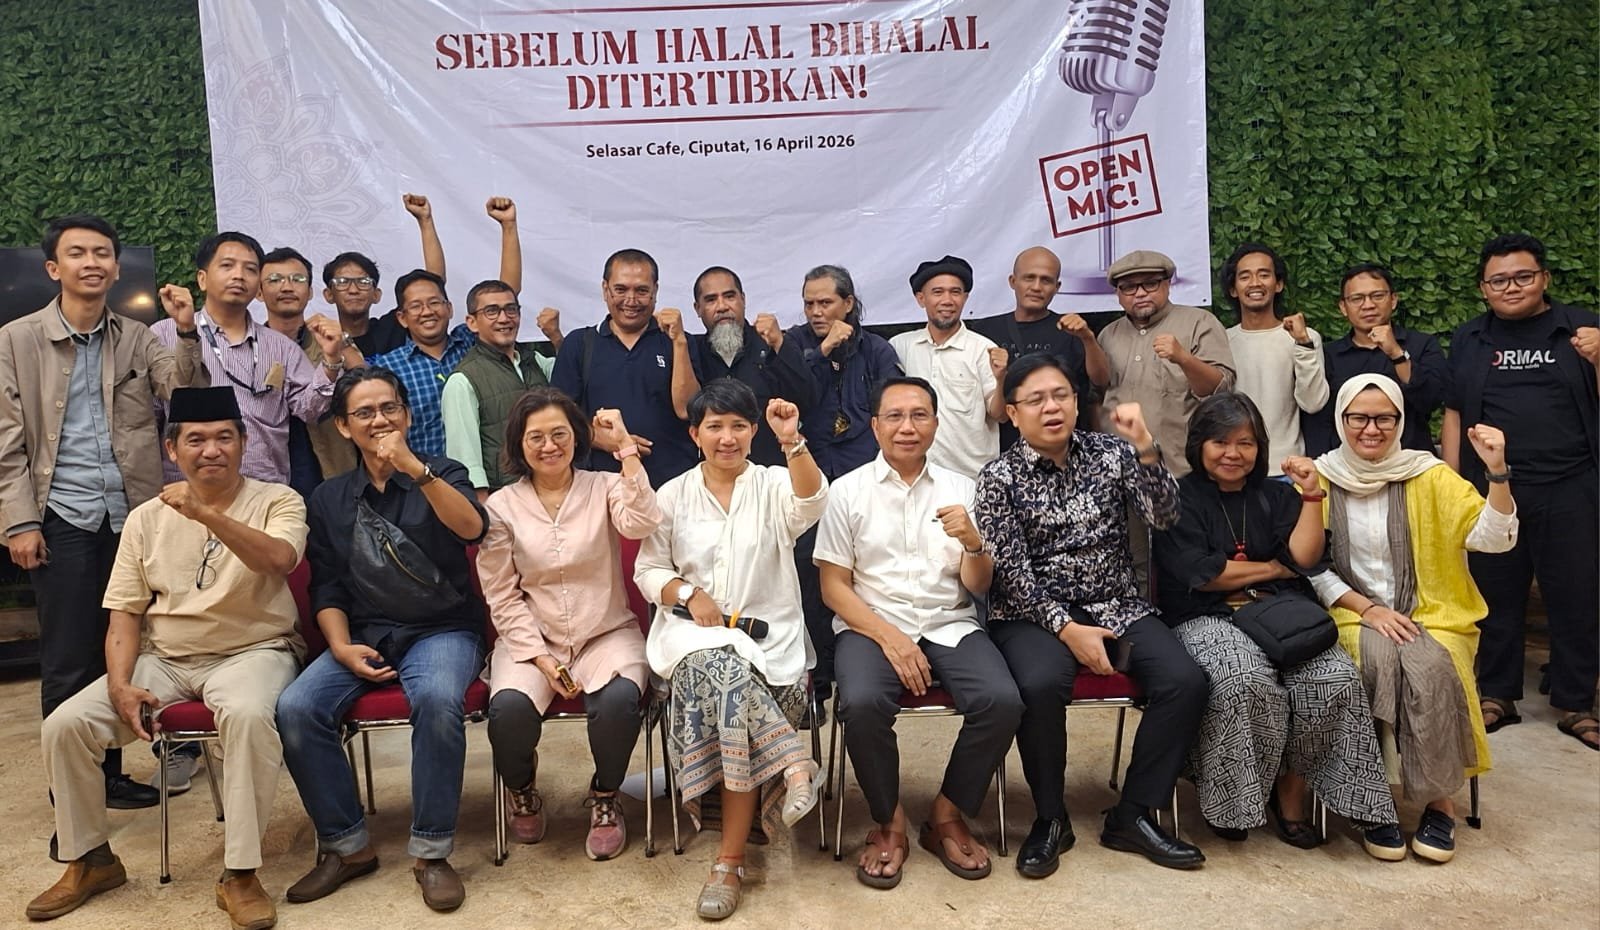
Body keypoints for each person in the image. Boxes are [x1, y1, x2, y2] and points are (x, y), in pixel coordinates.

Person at [25, 387, 307, 929]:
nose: (212, 450)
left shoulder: (279, 500)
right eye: (195, 440)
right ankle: (90, 860)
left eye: (224, 437)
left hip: (254, 650)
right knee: (65, 724)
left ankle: (240, 874)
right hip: (167, 657)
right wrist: (119, 684)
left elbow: (278, 560)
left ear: (244, 443)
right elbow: (125, 613)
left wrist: (205, 513)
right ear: (171, 449)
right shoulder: (145, 518)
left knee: (248, 716)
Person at [0, 214, 205, 813]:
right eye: (78, 253)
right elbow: (6, 440)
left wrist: (186, 331)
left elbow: (183, 394)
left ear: (116, 268)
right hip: (61, 516)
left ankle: (110, 775)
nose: (92, 262)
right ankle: (74, 792)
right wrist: (19, 522)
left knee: (125, 652)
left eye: (102, 253)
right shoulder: (16, 340)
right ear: (53, 268)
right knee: (68, 658)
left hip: (132, 517)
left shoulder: (138, 336)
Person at [974, 353, 1207, 874]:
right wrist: (1067, 628)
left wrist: (1145, 446)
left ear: (1077, 403)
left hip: (1116, 602)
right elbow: (1011, 574)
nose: (1051, 407)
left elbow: (1165, 516)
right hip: (1032, 613)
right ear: (1013, 413)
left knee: (1184, 680)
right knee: (1039, 683)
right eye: (1036, 399)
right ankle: (1050, 818)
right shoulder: (997, 478)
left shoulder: (1112, 454)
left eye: (1061, 395)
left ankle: (1133, 813)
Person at [1151, 392, 1400, 858]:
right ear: (1199, 444)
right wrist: (1272, 567)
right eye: (1220, 442)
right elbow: (1206, 575)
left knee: (1334, 677)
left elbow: (1304, 558)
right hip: (1206, 616)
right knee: (1243, 678)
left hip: (1280, 614)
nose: (1233, 453)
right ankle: (1234, 803)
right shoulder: (1177, 498)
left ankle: (1307, 799)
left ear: (1260, 447)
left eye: (1245, 443)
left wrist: (1311, 494)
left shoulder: (1278, 494)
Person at [277, 368, 489, 912]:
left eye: (389, 408)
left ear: (408, 415)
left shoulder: (443, 471)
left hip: (442, 628)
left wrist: (414, 469)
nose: (380, 420)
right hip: (365, 634)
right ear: (343, 426)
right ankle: (346, 846)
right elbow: (326, 583)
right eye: (365, 412)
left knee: (437, 699)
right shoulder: (328, 498)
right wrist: (339, 646)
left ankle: (432, 853)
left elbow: (473, 529)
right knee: (297, 707)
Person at [815, 376, 1023, 888]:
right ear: (875, 426)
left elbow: (978, 585)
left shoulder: (964, 489)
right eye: (895, 416)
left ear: (935, 423)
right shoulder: (847, 490)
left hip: (949, 621)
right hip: (870, 624)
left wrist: (974, 544)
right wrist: (891, 638)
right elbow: (834, 587)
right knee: (861, 703)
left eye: (919, 415)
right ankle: (889, 821)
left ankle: (946, 813)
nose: (907, 427)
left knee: (1002, 701)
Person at [634, 379, 826, 920]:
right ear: (694, 434)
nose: (727, 437)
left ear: (753, 431)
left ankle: (730, 863)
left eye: (738, 426)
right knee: (721, 670)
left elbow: (812, 501)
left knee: (730, 691)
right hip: (690, 635)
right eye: (714, 426)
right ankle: (790, 765)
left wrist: (792, 441)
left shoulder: (773, 483)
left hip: (771, 639)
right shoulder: (672, 494)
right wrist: (686, 593)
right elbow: (648, 570)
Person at [1310, 374, 1518, 862]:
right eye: (1359, 417)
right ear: (1341, 420)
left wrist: (1497, 473)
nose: (1371, 429)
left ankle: (1439, 802)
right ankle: (1373, 801)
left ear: (1401, 421)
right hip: (1349, 613)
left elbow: (1495, 539)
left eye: (1384, 418)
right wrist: (1368, 609)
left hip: (1434, 612)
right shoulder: (1320, 477)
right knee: (1373, 662)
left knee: (1431, 665)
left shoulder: (1430, 474)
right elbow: (1309, 566)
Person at [476, 389, 661, 859]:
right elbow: (501, 593)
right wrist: (539, 657)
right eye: (535, 437)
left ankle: (605, 794)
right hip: (532, 639)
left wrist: (624, 447)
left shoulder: (604, 486)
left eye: (559, 434)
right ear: (518, 444)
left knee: (618, 701)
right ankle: (522, 787)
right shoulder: (500, 506)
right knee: (509, 712)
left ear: (577, 437)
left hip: (606, 632)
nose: (549, 446)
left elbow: (642, 523)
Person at [1442, 233, 1599, 750]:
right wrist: (1454, 481)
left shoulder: (1581, 329)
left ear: (1544, 279)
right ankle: (1497, 693)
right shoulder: (1470, 338)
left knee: (1577, 594)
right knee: (1494, 594)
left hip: (1570, 485)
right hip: (1496, 489)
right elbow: (1454, 410)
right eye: (1499, 280)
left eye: (1523, 277)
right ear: (1483, 288)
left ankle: (1576, 703)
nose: (1511, 287)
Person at [785, 265, 902, 713]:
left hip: (863, 479)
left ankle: (868, 673)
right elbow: (787, 393)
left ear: (848, 303)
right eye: (809, 303)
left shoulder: (877, 350)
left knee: (863, 574)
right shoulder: (793, 345)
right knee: (807, 573)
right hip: (809, 480)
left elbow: (894, 408)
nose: (816, 312)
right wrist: (822, 350)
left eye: (826, 303)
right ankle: (816, 683)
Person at [152, 232, 347, 487]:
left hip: (263, 490)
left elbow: (309, 410)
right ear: (202, 279)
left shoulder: (281, 346)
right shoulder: (166, 334)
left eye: (250, 269)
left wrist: (331, 360)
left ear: (258, 287)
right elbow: (149, 416)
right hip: (189, 490)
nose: (239, 275)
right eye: (227, 265)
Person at [550, 248, 699, 487]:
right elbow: (556, 419)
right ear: (605, 289)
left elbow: (687, 410)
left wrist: (679, 341)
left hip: (674, 485)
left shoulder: (680, 341)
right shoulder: (579, 344)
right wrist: (604, 439)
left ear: (655, 291)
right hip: (601, 486)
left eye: (641, 290)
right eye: (620, 289)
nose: (631, 300)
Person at [1097, 249, 1236, 476]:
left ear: (1168, 284)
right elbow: (1097, 398)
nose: (1140, 293)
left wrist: (1183, 358)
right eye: (1129, 287)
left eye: (1150, 284)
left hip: (1181, 470)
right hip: (1118, 471)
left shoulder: (1199, 323)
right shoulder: (1107, 335)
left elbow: (1219, 390)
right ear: (1118, 293)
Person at [1303, 263, 1448, 456]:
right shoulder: (1329, 355)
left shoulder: (1422, 345)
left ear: (1393, 300)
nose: (1368, 305)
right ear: (1343, 307)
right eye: (1357, 299)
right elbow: (1318, 422)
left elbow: (1431, 400)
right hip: (1347, 466)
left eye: (1377, 296)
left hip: (1410, 462)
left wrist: (1396, 353)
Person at [968, 246, 1107, 439]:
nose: (1036, 287)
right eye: (1029, 278)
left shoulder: (1072, 330)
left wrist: (1088, 338)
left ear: (1057, 287)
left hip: (1060, 446)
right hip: (1001, 448)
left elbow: (1101, 381)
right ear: (1013, 281)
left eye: (1046, 280)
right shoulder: (984, 331)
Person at [683, 265, 816, 467]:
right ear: (697, 309)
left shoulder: (772, 343)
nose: (722, 306)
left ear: (743, 299)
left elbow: (809, 399)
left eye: (729, 296)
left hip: (771, 473)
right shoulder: (691, 352)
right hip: (713, 475)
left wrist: (780, 344)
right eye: (711, 300)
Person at [888, 256, 1008, 478]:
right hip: (913, 477)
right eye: (937, 292)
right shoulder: (900, 346)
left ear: (965, 297)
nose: (947, 300)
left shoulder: (983, 349)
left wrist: (1002, 379)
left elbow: (1000, 415)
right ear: (921, 298)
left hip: (971, 478)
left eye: (955, 292)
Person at [1218, 243, 1328, 472]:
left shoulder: (1303, 337)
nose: (1255, 283)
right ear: (1233, 289)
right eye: (1245, 277)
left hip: (1287, 467)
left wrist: (1303, 344)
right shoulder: (1221, 341)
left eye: (1264, 274)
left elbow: (1313, 403)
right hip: (1233, 467)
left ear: (1278, 284)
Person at [259, 246, 360, 496]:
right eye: (275, 280)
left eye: (297, 279)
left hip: (335, 465)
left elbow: (368, 384)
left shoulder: (328, 337)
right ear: (259, 292)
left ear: (310, 291)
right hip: (270, 474)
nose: (287, 287)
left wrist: (341, 344)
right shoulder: (250, 346)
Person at [441, 279, 553, 499]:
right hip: (505, 499)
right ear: (472, 322)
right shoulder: (462, 381)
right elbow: (465, 461)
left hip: (551, 488)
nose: (504, 318)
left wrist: (556, 337)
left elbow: (577, 374)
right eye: (492, 311)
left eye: (511, 309)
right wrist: (483, 511)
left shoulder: (535, 361)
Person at [365, 269, 475, 459]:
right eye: (416, 306)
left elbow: (501, 299)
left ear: (449, 308)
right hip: (422, 472)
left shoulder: (471, 343)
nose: (427, 312)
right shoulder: (387, 368)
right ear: (402, 318)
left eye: (434, 303)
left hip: (479, 471)